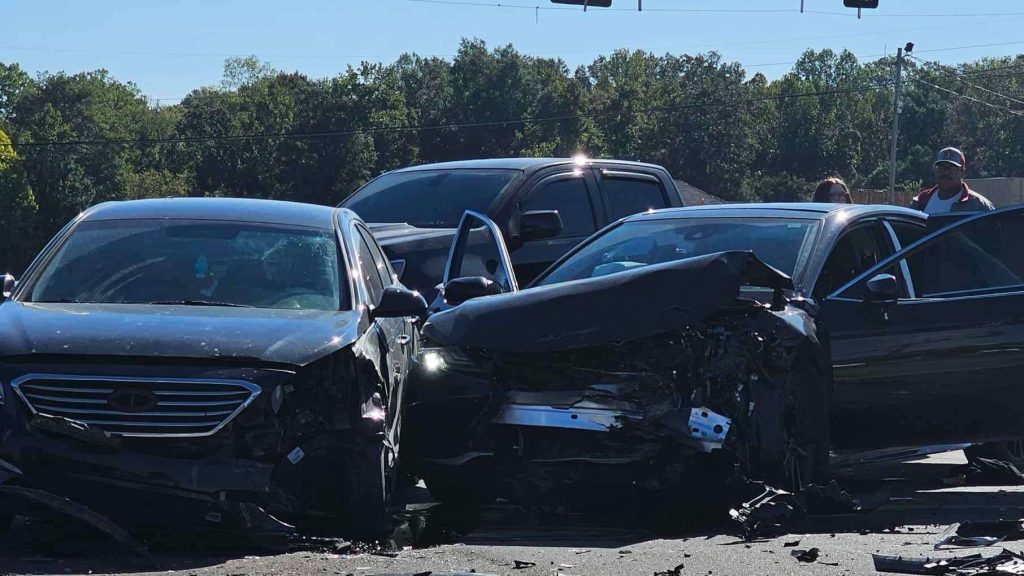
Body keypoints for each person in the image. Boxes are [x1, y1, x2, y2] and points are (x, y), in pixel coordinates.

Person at [910, 147, 994, 214]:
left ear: (963, 172)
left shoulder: (979, 206)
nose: (946, 172)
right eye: (941, 168)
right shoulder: (921, 201)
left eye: (952, 168)